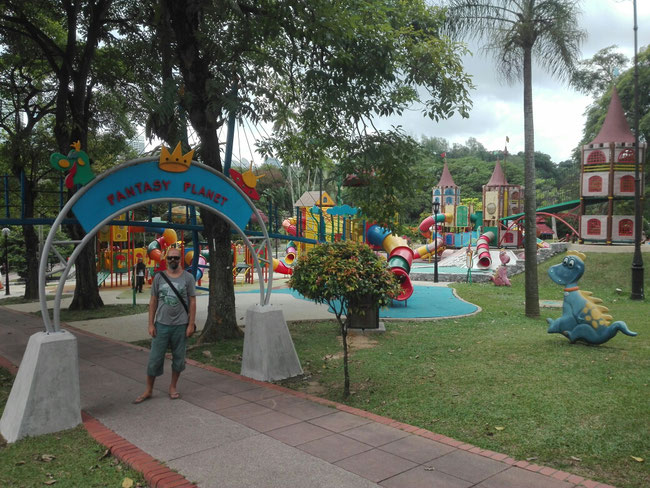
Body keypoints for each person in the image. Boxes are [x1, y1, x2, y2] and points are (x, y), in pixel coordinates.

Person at [133, 248, 196, 403]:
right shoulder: (159, 277)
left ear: (180, 259)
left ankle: (173, 387)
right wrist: (150, 324)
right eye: (170, 258)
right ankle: (148, 390)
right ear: (166, 259)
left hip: (180, 325)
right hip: (161, 325)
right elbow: (153, 301)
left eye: (175, 258)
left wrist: (191, 324)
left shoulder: (188, 278)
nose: (172, 260)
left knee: (179, 359)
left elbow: (192, 301)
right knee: (154, 358)